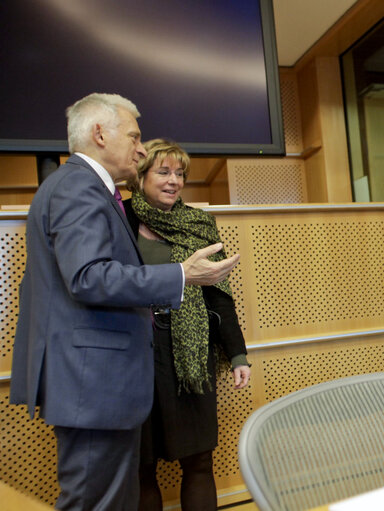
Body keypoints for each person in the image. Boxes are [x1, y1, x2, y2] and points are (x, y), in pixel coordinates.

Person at [9, 93, 240, 511]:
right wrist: (182, 274)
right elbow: (88, 276)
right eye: (134, 136)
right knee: (97, 501)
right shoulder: (79, 187)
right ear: (100, 133)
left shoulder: (80, 187)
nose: (139, 147)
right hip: (93, 382)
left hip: (96, 382)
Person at [123, 139, 250, 510]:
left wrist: (238, 354)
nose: (174, 181)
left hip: (192, 356)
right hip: (135, 355)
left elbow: (218, 295)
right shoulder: (119, 218)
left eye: (180, 174)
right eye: (163, 172)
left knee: (198, 460)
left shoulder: (199, 222)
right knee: (141, 465)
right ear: (141, 176)